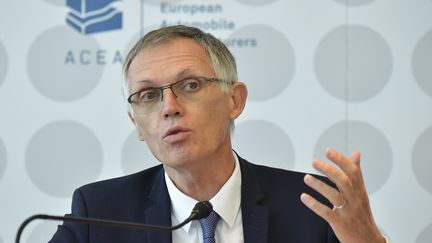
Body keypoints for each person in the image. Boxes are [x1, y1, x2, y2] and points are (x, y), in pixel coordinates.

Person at [50, 25, 387, 243]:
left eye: (190, 85)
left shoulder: (313, 206)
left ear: (234, 100)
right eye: (149, 95)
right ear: (137, 124)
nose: (169, 107)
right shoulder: (98, 213)